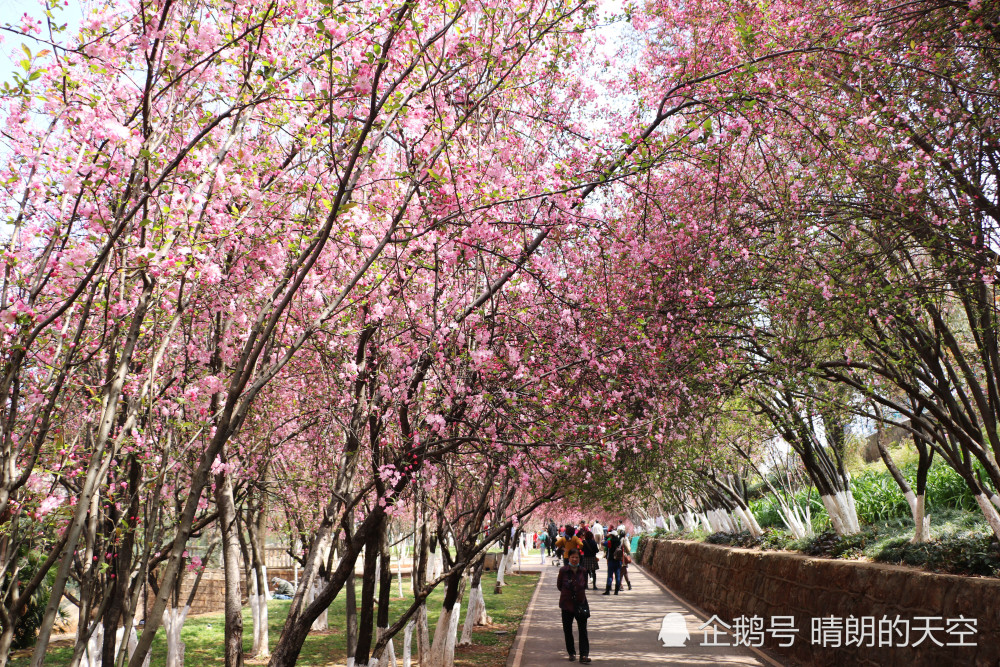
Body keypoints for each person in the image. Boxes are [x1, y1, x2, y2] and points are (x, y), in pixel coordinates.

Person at [556, 548, 591, 663]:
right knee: (568, 630)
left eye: (576, 557)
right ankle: (571, 653)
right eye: (572, 557)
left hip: (581, 604)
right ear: (568, 558)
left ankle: (584, 655)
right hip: (566, 604)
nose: (574, 559)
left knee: (583, 630)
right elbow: (559, 585)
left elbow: (584, 584)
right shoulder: (563, 570)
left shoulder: (583, 571)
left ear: (579, 558)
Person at [602, 529, 623, 595]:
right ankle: (616, 591)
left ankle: (608, 590)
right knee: (618, 575)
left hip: (611, 560)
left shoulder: (610, 542)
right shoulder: (619, 542)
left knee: (610, 576)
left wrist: (606, 537)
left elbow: (603, 543)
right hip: (618, 560)